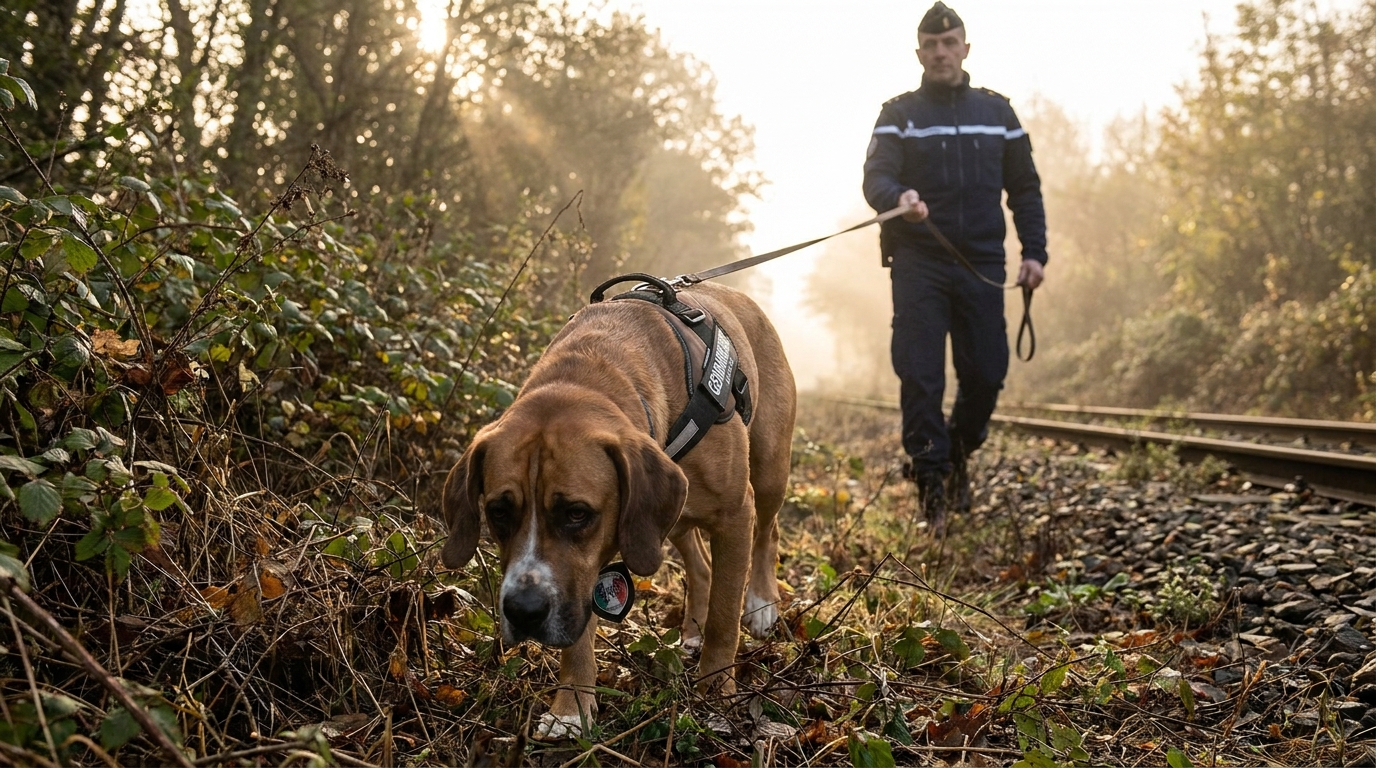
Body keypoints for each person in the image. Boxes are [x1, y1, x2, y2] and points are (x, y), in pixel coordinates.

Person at [862, 1, 1047, 535]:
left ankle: (958, 452)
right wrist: (900, 195)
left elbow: (1026, 189)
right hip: (918, 263)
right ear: (918, 52)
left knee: (987, 374)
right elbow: (875, 180)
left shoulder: (999, 114)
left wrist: (1034, 252)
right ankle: (932, 484)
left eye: (950, 43)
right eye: (930, 44)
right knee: (920, 375)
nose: (940, 52)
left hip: (983, 264)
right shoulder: (898, 114)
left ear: (966, 48)